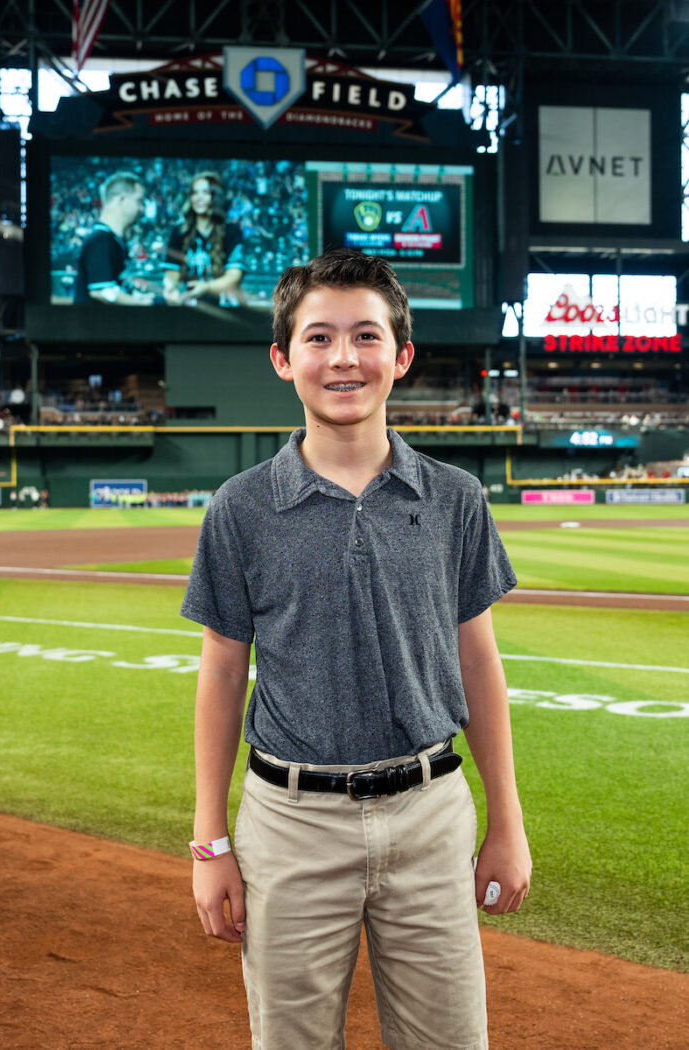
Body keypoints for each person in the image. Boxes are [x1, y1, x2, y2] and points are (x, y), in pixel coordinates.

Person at [181, 249, 531, 1050]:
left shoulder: (455, 498)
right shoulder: (240, 509)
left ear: (401, 357)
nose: (344, 358)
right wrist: (210, 841)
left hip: (430, 811)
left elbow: (477, 661)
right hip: (290, 821)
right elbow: (223, 674)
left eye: (366, 336)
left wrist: (505, 819)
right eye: (319, 338)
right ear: (283, 359)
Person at [163, 172, 245, 307]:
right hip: (189, 304)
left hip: (224, 305)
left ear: (216, 196)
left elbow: (234, 275)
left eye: (205, 192)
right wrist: (171, 287)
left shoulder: (231, 231)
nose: (199, 197)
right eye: (195, 193)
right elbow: (172, 270)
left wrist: (207, 287)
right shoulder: (179, 231)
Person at [73, 172, 153, 305]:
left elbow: (115, 285)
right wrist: (139, 304)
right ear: (121, 199)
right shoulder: (100, 240)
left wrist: (138, 296)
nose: (142, 208)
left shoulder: (114, 240)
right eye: (139, 201)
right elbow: (101, 290)